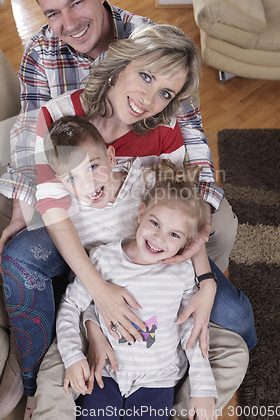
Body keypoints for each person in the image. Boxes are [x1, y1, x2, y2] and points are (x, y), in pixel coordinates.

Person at [0, 0, 248, 420]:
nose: (148, 98)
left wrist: (202, 279)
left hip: (150, 238)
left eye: (162, 91)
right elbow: (35, 143)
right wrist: (93, 302)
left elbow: (189, 170)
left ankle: (184, 393)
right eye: (53, 12)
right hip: (90, 233)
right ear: (119, 65)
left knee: (238, 320)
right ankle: (28, 372)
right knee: (21, 248)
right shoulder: (55, 97)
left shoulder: (158, 80)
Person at [56, 160, 218, 420]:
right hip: (106, 372)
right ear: (141, 213)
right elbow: (71, 305)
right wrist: (73, 357)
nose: (159, 238)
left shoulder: (182, 272)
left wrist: (203, 386)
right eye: (155, 223)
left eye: (174, 235)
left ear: (189, 244)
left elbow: (192, 328)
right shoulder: (103, 259)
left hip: (157, 380)